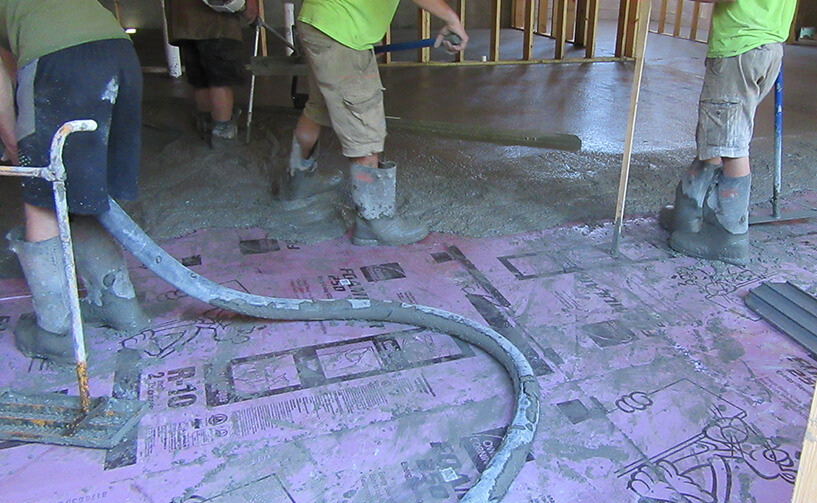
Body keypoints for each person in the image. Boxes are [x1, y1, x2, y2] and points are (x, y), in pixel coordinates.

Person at [0, 0, 148, 364]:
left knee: (43, 194)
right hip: (118, 52)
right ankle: (118, 304)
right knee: (85, 184)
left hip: (60, 60)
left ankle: (54, 331)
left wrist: (14, 147)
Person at [279, 0, 468, 246]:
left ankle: (298, 181)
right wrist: (451, 18)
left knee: (319, 106)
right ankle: (374, 220)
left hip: (320, 22)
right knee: (364, 122)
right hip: (342, 33)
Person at [660, 0, 796, 265]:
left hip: (739, 47)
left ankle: (729, 236)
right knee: (717, 134)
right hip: (767, 48)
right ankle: (688, 212)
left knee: (730, 144)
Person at [165, 0, 257, 148]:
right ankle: (223, 130)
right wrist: (249, 5)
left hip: (183, 21)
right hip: (215, 22)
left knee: (201, 78)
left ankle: (206, 123)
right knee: (219, 80)